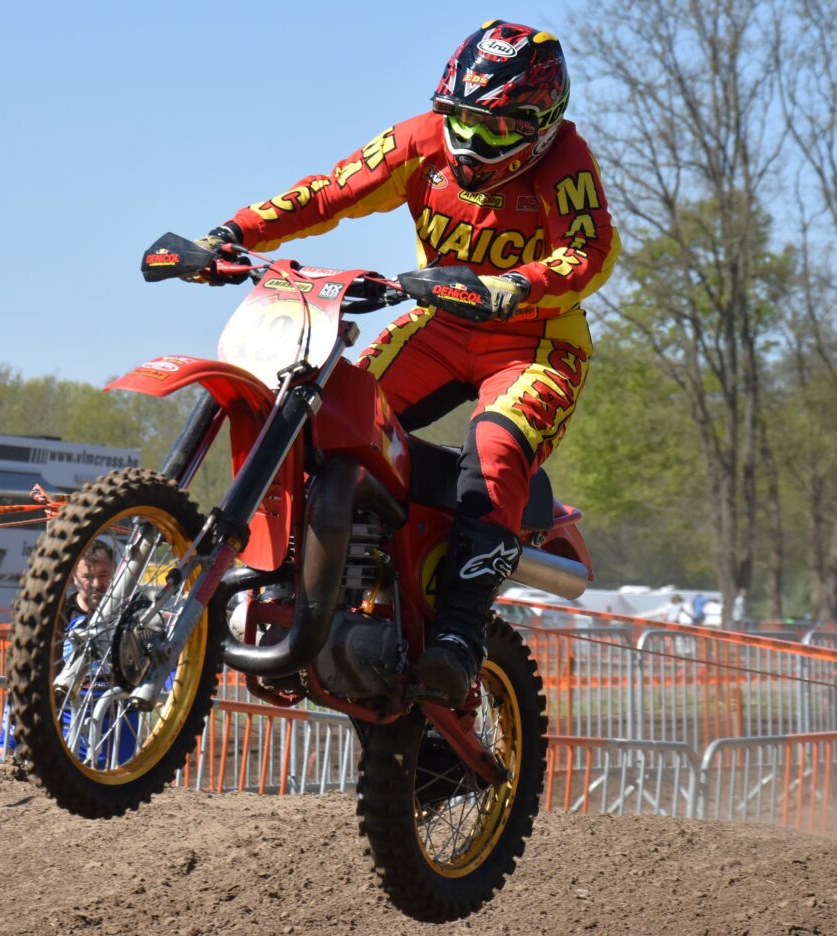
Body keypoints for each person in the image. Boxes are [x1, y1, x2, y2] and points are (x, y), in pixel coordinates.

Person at [188, 21, 617, 705]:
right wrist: (230, 233)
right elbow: (328, 191)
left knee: (494, 450)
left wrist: (513, 285)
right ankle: (307, 593)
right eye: (462, 118)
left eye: (495, 127)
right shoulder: (419, 141)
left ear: (539, 125)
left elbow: (587, 251)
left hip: (536, 340)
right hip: (439, 324)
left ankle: (459, 635)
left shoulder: (566, 159)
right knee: (330, 412)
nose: (472, 139)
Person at [0, 540, 117, 764]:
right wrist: (7, 743)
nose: (96, 584)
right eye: (88, 576)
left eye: (103, 575)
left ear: (115, 573)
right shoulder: (57, 617)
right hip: (70, 719)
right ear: (73, 577)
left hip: (119, 723)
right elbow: (24, 677)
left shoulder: (127, 613)